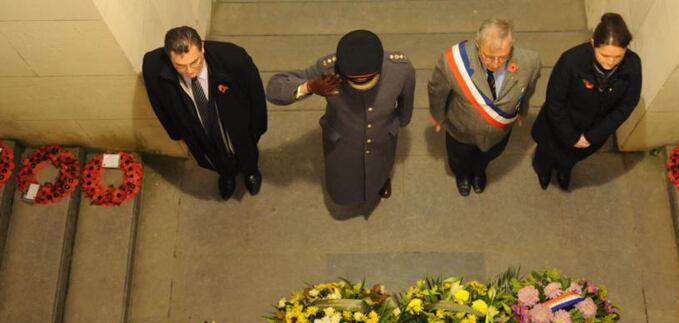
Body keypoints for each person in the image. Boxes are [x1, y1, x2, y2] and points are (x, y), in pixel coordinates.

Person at [266, 30, 415, 205]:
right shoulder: (326, 69)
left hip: (382, 137)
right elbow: (274, 88)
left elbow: (406, 100)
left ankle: (380, 183)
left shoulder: (401, 69)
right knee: (342, 178)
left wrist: (401, 122)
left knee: (380, 165)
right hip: (342, 142)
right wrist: (309, 86)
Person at [142, 26, 267, 200]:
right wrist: (175, 133)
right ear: (168, 56)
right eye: (180, 66)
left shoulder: (233, 58)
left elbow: (256, 94)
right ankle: (226, 174)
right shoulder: (152, 66)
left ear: (202, 47)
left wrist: (258, 126)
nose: (190, 71)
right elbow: (158, 102)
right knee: (212, 153)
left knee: (244, 148)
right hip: (196, 124)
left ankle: (251, 171)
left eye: (195, 62)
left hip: (232, 119)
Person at [429, 18, 541, 196]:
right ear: (477, 45)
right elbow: (437, 91)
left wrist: (522, 111)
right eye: (489, 56)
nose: (496, 63)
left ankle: (479, 171)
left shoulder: (530, 62)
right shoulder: (452, 62)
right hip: (461, 129)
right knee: (459, 158)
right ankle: (462, 175)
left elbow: (528, 90)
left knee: (488, 156)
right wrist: (438, 116)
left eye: (503, 57)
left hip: (499, 132)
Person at [531, 12, 641, 191]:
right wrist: (571, 136)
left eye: (618, 57)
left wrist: (593, 136)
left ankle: (564, 170)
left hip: (594, 129)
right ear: (593, 44)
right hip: (560, 125)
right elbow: (555, 100)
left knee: (572, 158)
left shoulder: (633, 65)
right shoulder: (572, 61)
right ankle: (543, 170)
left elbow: (628, 103)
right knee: (547, 153)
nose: (611, 62)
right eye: (605, 55)